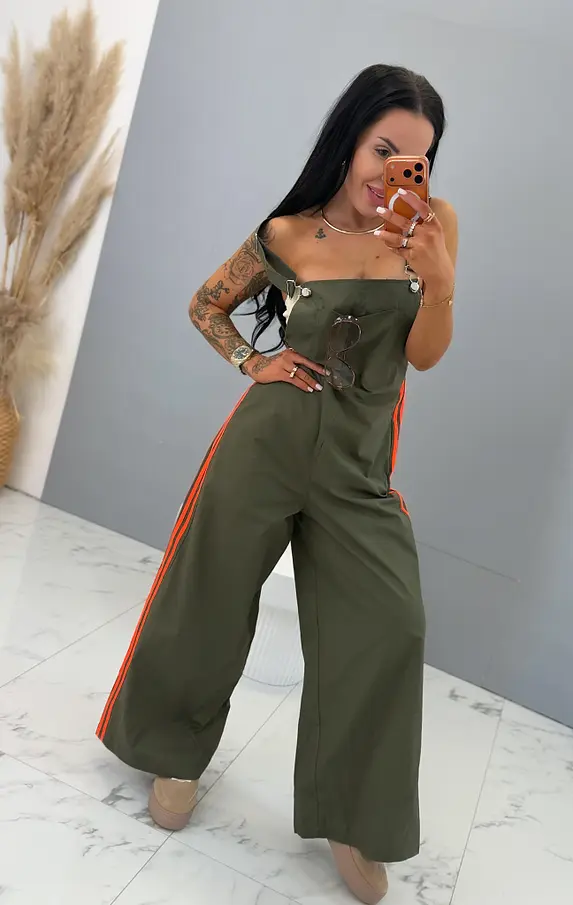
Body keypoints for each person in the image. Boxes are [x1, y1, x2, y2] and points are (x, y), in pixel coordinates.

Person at [96, 63, 458, 905]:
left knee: (391, 622)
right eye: (383, 148)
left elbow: (426, 355)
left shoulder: (434, 227)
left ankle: (351, 813)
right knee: (209, 595)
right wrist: (252, 361)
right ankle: (173, 752)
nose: (395, 172)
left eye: (416, 157)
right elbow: (206, 305)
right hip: (266, 444)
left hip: (356, 469)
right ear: (350, 138)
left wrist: (438, 281)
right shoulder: (289, 233)